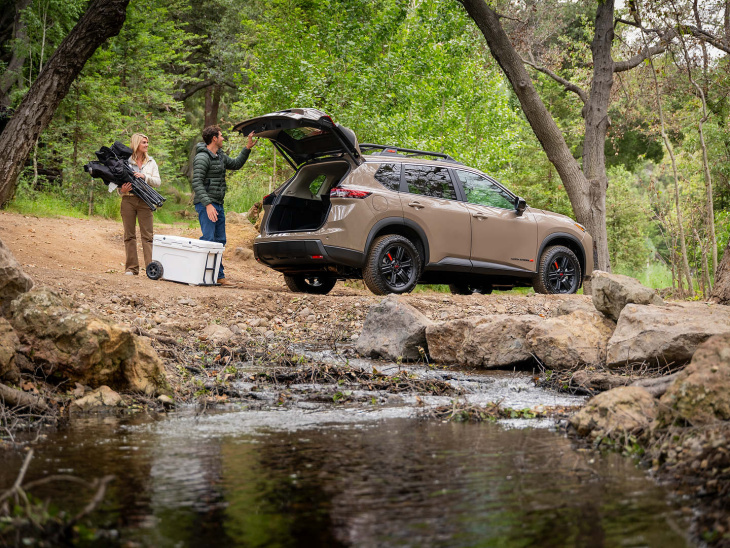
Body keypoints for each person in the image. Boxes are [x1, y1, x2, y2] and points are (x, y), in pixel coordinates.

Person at [192, 125, 257, 286]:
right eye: (221, 136)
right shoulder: (202, 157)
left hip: (218, 204)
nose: (222, 138)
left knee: (220, 240)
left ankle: (218, 276)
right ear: (214, 138)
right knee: (209, 239)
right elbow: (197, 183)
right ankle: (200, 274)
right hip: (206, 204)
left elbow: (235, 164)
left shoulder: (219, 155)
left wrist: (247, 148)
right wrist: (207, 205)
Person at [120, 133, 161, 275]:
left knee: (148, 236)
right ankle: (131, 268)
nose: (147, 145)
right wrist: (122, 191)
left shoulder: (151, 162)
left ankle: (152, 269)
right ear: (137, 144)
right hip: (128, 200)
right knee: (129, 235)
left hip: (145, 200)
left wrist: (145, 177)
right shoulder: (125, 161)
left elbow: (158, 182)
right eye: (144, 142)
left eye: (147, 142)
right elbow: (115, 183)